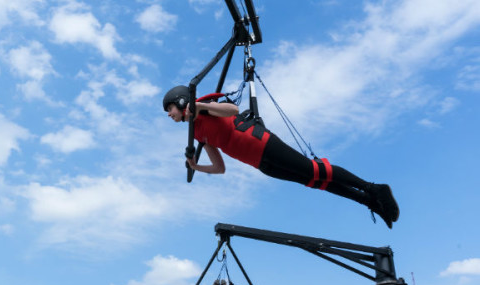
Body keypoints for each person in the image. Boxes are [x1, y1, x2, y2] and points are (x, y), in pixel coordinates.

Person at [163, 85, 400, 228]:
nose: (169, 115)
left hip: (263, 144)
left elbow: (232, 110)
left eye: (169, 109)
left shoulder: (205, 106)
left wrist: (201, 106)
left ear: (180, 101)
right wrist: (197, 166)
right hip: (259, 162)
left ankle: (375, 188)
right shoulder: (197, 134)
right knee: (313, 181)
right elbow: (220, 167)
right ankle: (368, 201)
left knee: (315, 170)